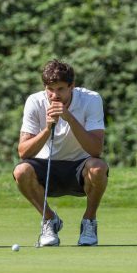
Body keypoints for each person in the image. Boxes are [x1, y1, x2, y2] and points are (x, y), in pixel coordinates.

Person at [14, 60, 108, 246]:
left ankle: (89, 221)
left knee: (98, 168)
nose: (54, 95)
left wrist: (69, 118)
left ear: (72, 86)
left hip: (79, 167)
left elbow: (96, 150)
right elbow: (23, 152)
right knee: (21, 171)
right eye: (50, 89)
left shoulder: (91, 99)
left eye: (61, 89)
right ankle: (49, 220)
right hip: (46, 167)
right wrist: (47, 129)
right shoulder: (35, 101)